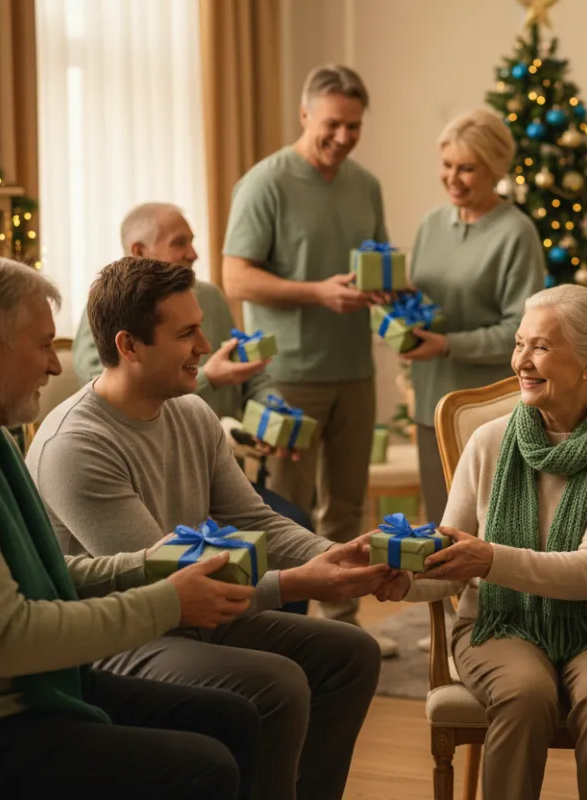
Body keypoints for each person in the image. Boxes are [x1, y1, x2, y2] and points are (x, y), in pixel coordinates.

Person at [0, 252, 262, 799]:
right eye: (44, 344)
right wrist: (169, 601)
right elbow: (11, 638)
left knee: (235, 720)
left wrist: (147, 568)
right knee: (201, 767)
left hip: (9, 694)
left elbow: (41, 575)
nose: (53, 365)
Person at [26, 256, 395, 800]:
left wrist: (343, 555)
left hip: (188, 611)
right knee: (279, 684)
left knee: (351, 654)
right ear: (129, 346)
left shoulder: (191, 413)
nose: (206, 345)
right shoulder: (77, 445)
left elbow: (255, 521)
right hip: (120, 632)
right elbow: (165, 586)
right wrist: (302, 583)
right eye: (187, 333)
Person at [383, 285, 587, 800]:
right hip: (498, 619)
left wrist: (489, 557)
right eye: (519, 344)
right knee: (524, 692)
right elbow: (454, 563)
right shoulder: (489, 440)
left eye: (540, 347)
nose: (522, 362)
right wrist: (399, 580)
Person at [221, 64, 391, 647]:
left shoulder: (365, 185)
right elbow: (235, 278)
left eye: (354, 126)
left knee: (345, 506)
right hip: (289, 376)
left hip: (356, 369)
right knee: (289, 512)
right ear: (304, 115)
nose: (343, 137)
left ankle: (341, 627)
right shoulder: (264, 183)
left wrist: (386, 287)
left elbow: (378, 258)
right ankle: (288, 628)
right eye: (333, 124)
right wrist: (317, 291)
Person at [72, 203, 313, 532]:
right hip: (151, 485)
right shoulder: (107, 310)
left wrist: (270, 416)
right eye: (179, 243)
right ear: (139, 250)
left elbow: (251, 374)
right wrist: (208, 378)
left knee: (296, 523)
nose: (194, 253)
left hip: (222, 479)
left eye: (192, 241)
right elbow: (114, 388)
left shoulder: (210, 298)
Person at [402, 107, 544, 524]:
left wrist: (447, 346)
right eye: (447, 165)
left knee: (489, 528)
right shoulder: (431, 224)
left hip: (488, 408)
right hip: (431, 402)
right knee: (438, 526)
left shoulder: (517, 233)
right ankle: (442, 595)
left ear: (495, 168)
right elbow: (425, 303)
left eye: (467, 168)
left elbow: (521, 335)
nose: (452, 177)